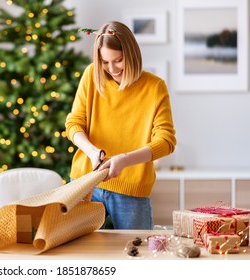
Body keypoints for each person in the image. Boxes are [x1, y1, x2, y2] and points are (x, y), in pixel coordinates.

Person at [65, 21, 176, 230]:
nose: (112, 69)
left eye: (118, 60)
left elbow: (166, 141)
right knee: (80, 254)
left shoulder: (154, 87)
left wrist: (124, 160)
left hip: (131, 191)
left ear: (132, 55)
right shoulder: (91, 75)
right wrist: (91, 151)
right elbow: (73, 123)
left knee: (137, 254)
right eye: (105, 62)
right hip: (85, 183)